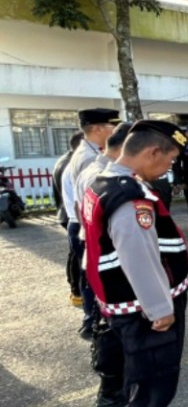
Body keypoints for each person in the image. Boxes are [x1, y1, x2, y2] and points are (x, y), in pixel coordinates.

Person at [80, 120, 188, 407]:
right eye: (170, 159)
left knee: (144, 367)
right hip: (141, 306)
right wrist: (159, 308)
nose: (170, 167)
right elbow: (139, 256)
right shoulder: (129, 196)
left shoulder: (104, 180)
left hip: (121, 299)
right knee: (154, 370)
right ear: (152, 152)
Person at [65, 108, 121, 339]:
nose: (116, 130)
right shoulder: (89, 159)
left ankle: (93, 321)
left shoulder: (89, 151)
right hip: (87, 226)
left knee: (90, 277)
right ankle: (95, 325)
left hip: (81, 225)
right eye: (112, 126)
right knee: (95, 279)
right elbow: (90, 203)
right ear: (97, 128)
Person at [53, 130, 85, 306]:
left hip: (67, 213)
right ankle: (76, 291)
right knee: (78, 257)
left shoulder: (65, 159)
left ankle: (76, 290)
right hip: (72, 215)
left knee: (74, 254)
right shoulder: (71, 165)